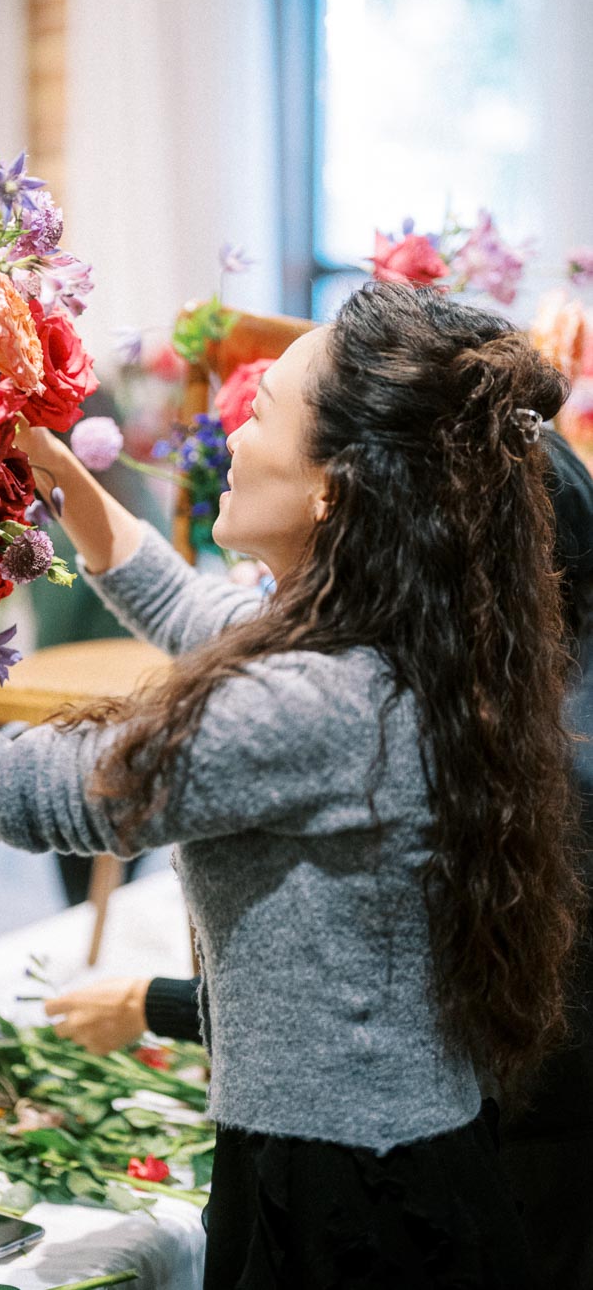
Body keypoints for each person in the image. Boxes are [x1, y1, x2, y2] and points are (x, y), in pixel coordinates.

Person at [0, 283, 583, 1289]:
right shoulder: (406, 644)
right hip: (393, 1158)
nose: (232, 430)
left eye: (262, 410)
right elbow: (198, 611)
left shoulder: (320, 699)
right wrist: (62, 483)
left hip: (347, 1203)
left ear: (334, 491)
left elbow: (26, 791)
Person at [42, 426, 593, 1287]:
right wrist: (63, 479)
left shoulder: (515, 729)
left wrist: (161, 1006)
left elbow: (406, 986)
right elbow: (197, 613)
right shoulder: (475, 675)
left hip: (508, 1153)